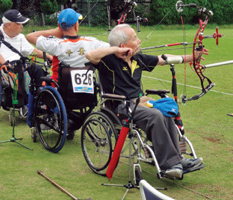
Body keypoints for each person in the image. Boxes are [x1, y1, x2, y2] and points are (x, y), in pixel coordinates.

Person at [86, 24, 207, 179]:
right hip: (119, 106)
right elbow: (90, 55)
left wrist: (193, 56)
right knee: (155, 115)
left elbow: (163, 59)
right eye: (135, 38)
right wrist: (116, 50)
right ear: (123, 45)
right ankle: (169, 165)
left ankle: (177, 160)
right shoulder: (107, 61)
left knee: (165, 112)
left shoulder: (137, 58)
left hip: (140, 103)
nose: (139, 40)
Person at [26, 8, 109, 139]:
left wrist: (55, 31)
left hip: (61, 91)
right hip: (87, 92)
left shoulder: (56, 44)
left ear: (60, 26)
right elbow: (111, 47)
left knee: (35, 86)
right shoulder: (92, 42)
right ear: (76, 25)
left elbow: (30, 37)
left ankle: (31, 122)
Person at [0, 9, 52, 116]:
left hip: (19, 64)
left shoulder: (20, 37)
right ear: (9, 25)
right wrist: (6, 64)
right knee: (17, 70)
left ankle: (40, 101)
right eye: (19, 24)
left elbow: (31, 51)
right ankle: (22, 104)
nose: (22, 26)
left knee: (38, 70)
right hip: (1, 66)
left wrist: (48, 57)